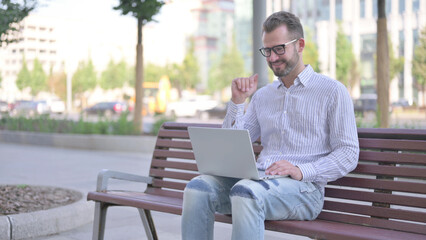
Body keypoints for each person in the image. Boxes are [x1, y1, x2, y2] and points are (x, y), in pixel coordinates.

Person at [181, 11, 359, 240]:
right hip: (258, 182)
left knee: (246, 193)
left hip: (304, 190)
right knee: (198, 189)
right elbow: (232, 145)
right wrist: (237, 102)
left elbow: (348, 153)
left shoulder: (332, 91)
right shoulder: (263, 96)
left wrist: (301, 170)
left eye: (279, 49)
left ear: (300, 45)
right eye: (267, 50)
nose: (272, 57)